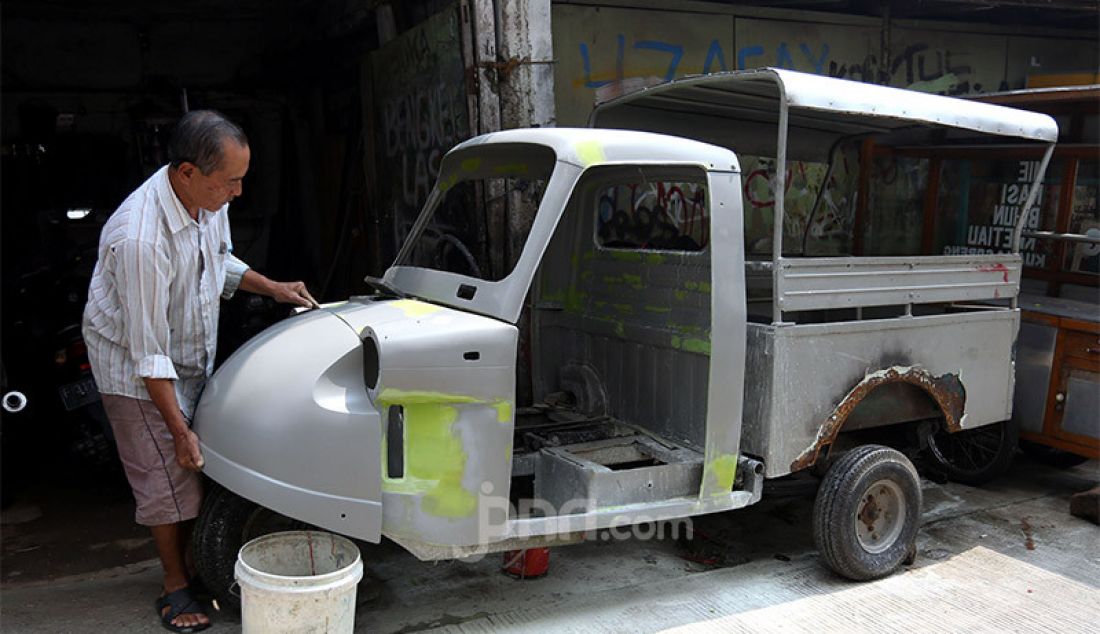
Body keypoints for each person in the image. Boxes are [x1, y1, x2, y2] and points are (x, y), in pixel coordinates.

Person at [83, 110, 317, 632]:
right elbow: (147, 352)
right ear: (187, 172)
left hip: (184, 356)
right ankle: (173, 586)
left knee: (194, 470)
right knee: (168, 479)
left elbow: (219, 260)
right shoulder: (140, 238)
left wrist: (273, 287)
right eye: (228, 181)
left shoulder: (206, 204)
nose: (236, 192)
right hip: (134, 367)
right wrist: (179, 428)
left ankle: (193, 564)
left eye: (241, 179)